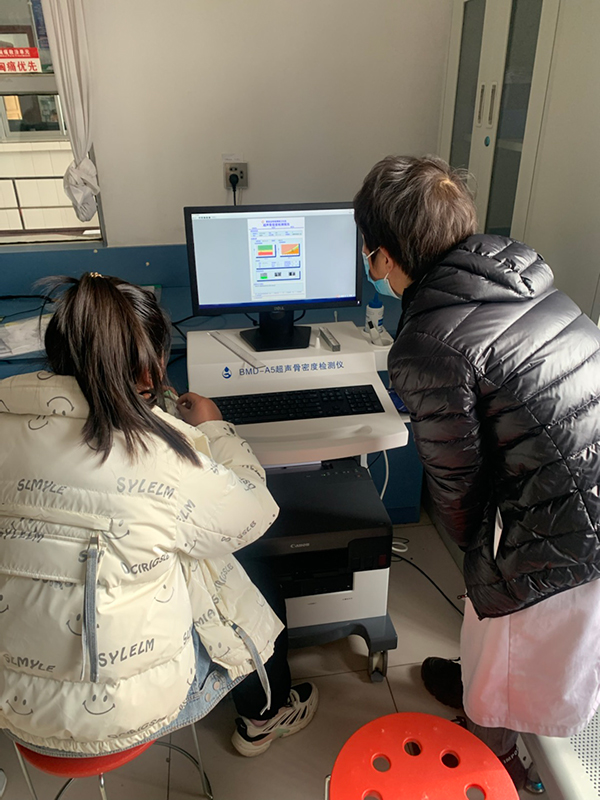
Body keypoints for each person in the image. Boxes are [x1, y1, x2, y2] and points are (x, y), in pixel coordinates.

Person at [354, 155, 600, 792]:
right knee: (504, 640)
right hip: (583, 483)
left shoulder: (428, 343)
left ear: (384, 257)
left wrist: (478, 565)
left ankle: (498, 758)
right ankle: (477, 688)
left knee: (511, 651)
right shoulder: (519, 278)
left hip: (563, 520)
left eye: (369, 253)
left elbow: (456, 488)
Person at [0, 273, 317, 757]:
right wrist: (214, 429)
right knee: (238, 563)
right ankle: (263, 716)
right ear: (149, 372)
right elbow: (254, 510)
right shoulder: (162, 454)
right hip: (122, 716)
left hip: (12, 704)